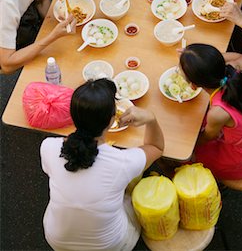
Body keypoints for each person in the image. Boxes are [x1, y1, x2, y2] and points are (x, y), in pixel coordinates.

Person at [40, 78, 164, 251]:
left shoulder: (48, 147)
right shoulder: (123, 163)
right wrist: (151, 119)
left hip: (56, 241)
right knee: (132, 194)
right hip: (109, 246)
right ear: (112, 119)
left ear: (73, 116)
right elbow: (157, 147)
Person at [179, 44, 242, 180]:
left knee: (182, 155)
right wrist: (206, 61)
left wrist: (184, 144)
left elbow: (207, 138)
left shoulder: (218, 113)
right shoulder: (235, 70)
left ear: (193, 86)